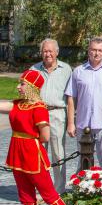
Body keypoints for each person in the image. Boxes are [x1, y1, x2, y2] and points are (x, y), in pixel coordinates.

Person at [0, 70, 84, 205]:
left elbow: (45, 136)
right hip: (17, 155)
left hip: (32, 155)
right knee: (27, 198)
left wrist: (28, 139)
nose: (18, 87)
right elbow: (3, 105)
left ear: (32, 86)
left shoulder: (39, 108)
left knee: (49, 195)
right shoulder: (18, 104)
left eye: (22, 84)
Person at [30, 37, 72, 193]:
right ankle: (41, 188)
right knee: (38, 153)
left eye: (50, 51)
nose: (48, 54)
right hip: (38, 114)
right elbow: (27, 94)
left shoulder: (66, 69)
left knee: (58, 153)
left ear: (57, 52)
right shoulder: (34, 70)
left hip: (57, 114)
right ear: (41, 52)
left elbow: (70, 97)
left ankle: (59, 189)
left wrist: (71, 121)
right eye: (45, 51)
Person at [66, 37, 102, 170]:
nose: (96, 53)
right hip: (83, 123)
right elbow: (71, 98)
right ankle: (82, 183)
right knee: (83, 162)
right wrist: (71, 123)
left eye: (100, 50)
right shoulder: (78, 71)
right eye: (93, 50)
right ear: (88, 51)